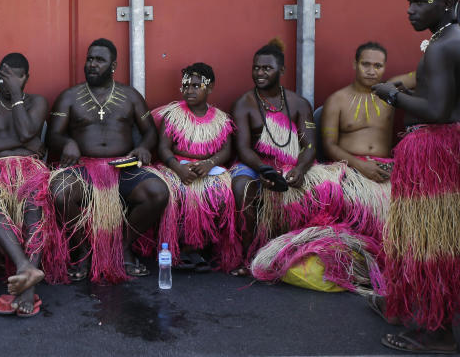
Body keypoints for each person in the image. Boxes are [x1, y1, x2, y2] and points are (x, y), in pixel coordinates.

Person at [370, 0, 460, 354]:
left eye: (419, 3)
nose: (410, 9)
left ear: (446, 3)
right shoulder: (450, 37)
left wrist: (388, 94)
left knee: (429, 245)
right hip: (445, 151)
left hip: (435, 153)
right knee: (434, 243)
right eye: (408, 1)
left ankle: (437, 332)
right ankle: (418, 311)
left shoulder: (442, 46)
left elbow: (436, 110)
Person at [47, 38, 165, 283]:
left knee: (158, 192)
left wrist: (143, 147)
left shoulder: (130, 95)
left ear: (113, 65)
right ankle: (85, 249)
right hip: (83, 169)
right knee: (60, 193)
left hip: (122, 168)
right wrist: (66, 142)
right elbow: (53, 135)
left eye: (99, 60)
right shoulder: (69, 97)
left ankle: (121, 248)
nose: (92, 64)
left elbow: (150, 131)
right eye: (89, 59)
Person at [229, 39, 333, 277]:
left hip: (292, 165)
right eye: (256, 67)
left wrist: (300, 169)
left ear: (282, 71)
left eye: (267, 68)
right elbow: (243, 148)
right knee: (241, 187)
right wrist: (265, 170)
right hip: (254, 164)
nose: (259, 73)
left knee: (326, 188)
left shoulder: (299, 104)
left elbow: (309, 146)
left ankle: (297, 252)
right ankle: (249, 255)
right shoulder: (243, 104)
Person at [0, 53, 52, 317]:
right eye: (3, 76)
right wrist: (24, 144)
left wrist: (16, 96)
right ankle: (25, 268)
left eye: (14, 78)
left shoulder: (37, 102)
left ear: (26, 78)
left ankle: (27, 289)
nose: (6, 82)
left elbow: (27, 133)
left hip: (30, 168)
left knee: (34, 203)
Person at [150, 63, 238, 272]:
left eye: (196, 86)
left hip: (209, 168)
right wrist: (177, 168)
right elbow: (163, 148)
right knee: (180, 191)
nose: (189, 90)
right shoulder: (173, 114)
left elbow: (226, 150)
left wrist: (210, 163)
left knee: (220, 192)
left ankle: (204, 246)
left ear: (209, 88)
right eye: (186, 86)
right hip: (175, 167)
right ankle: (180, 248)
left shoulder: (221, 118)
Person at [321, 42, 394, 239]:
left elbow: (419, 76)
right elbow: (329, 146)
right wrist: (361, 166)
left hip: (384, 169)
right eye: (366, 64)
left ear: (385, 67)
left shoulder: (392, 94)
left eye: (378, 66)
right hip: (350, 170)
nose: (371, 71)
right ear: (355, 64)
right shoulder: (337, 100)